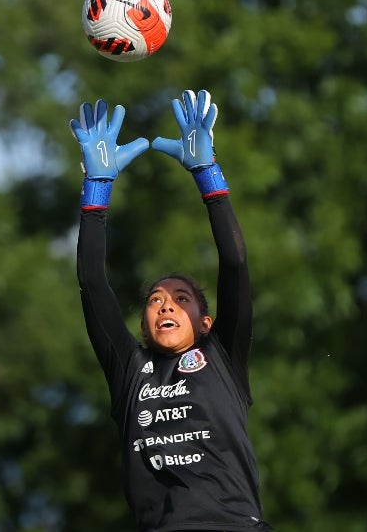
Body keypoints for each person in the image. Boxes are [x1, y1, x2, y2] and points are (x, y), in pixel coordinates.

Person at [72, 90, 272, 531]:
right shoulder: (129, 370)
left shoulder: (222, 358)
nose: (166, 304)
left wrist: (208, 175)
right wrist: (96, 191)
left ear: (206, 322)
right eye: (155, 300)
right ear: (143, 322)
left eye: (181, 299)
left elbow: (235, 263)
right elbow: (91, 281)